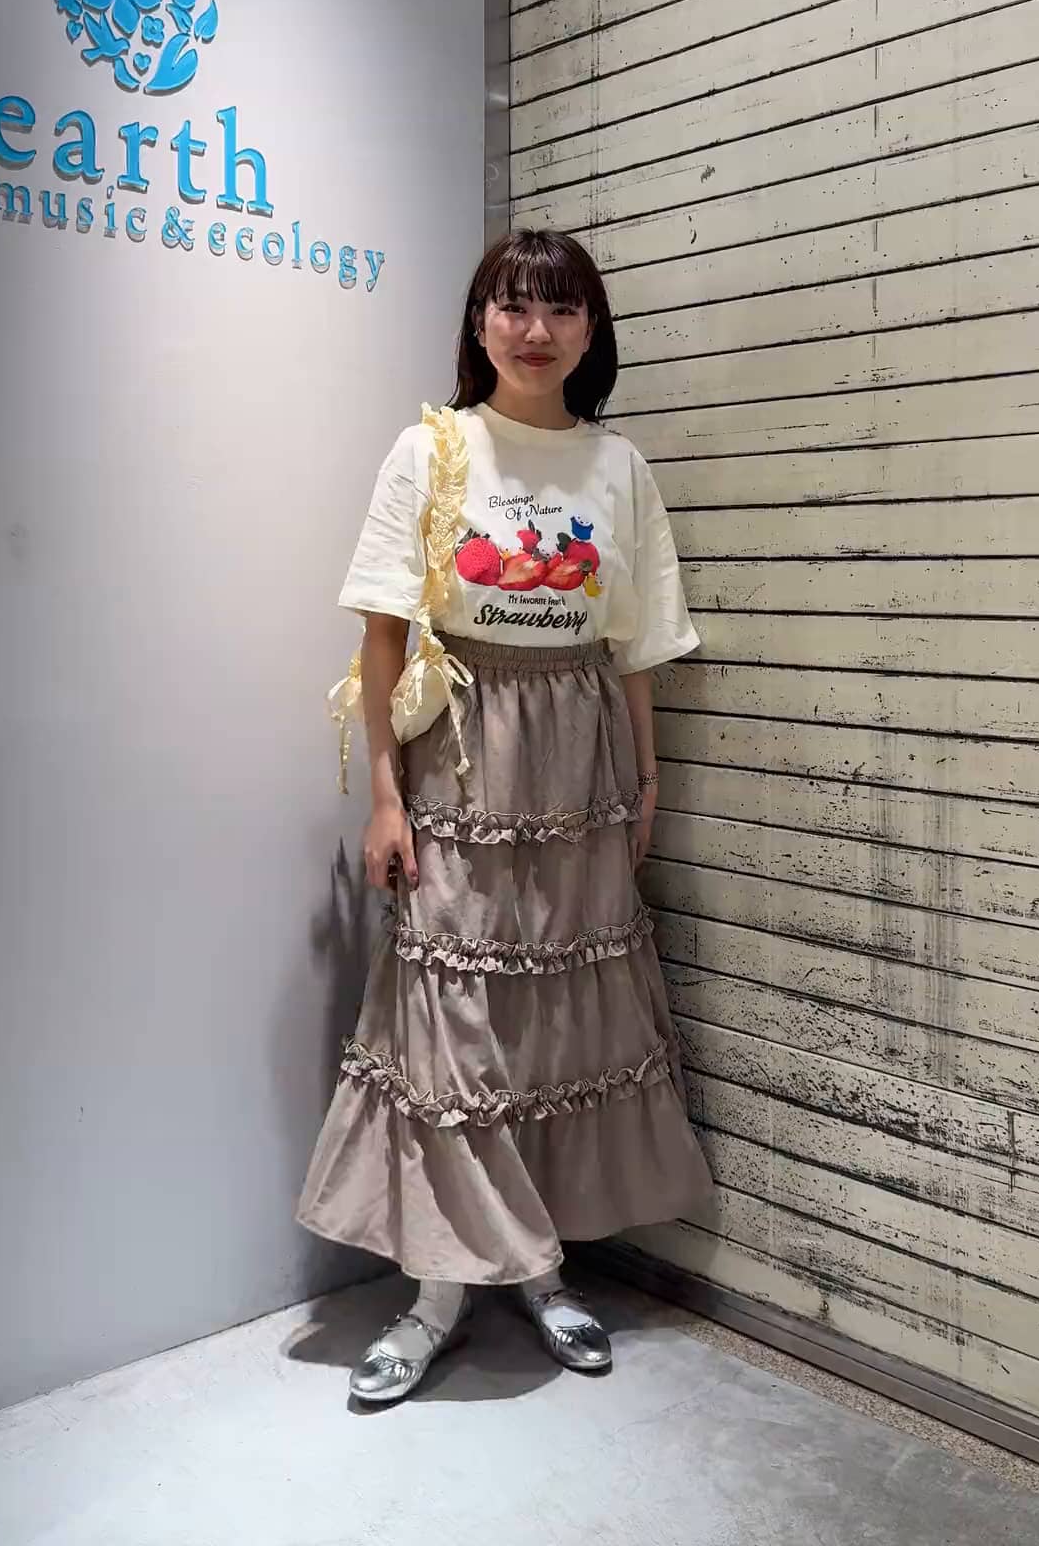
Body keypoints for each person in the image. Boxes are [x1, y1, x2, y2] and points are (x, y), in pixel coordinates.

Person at [297, 228, 712, 1403]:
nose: (536, 331)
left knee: (556, 1022)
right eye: (513, 306)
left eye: (562, 309)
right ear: (478, 323)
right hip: (464, 757)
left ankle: (539, 1270)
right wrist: (386, 797)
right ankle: (436, 1295)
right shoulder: (432, 448)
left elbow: (637, 646)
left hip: (580, 758)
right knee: (453, 1021)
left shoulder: (617, 466)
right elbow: (383, 637)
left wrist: (645, 783)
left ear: (593, 330)